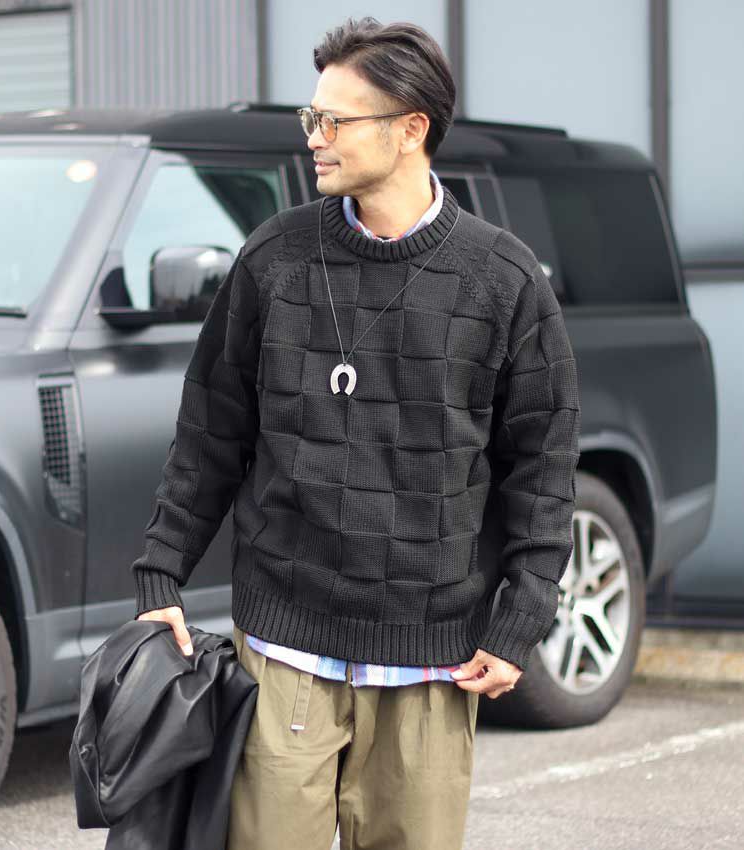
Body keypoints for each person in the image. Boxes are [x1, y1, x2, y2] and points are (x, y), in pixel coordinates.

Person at [133, 16, 580, 850]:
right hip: (284, 648)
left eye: (336, 120)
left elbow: (543, 468)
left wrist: (521, 618)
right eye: (313, 117)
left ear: (411, 129)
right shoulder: (275, 257)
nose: (316, 136)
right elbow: (210, 432)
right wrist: (161, 573)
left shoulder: (504, 280)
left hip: (433, 661)